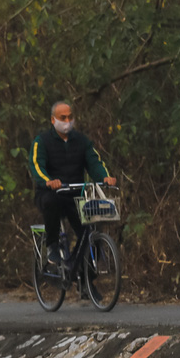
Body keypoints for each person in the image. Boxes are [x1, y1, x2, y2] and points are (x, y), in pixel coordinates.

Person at [28, 101, 116, 266]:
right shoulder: (42, 141)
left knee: (88, 233)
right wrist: (48, 181)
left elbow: (94, 162)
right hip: (51, 193)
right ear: (53, 120)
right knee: (51, 202)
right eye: (63, 117)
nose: (67, 121)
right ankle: (52, 246)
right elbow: (36, 165)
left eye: (70, 117)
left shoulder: (81, 141)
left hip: (76, 195)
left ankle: (85, 281)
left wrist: (104, 177)